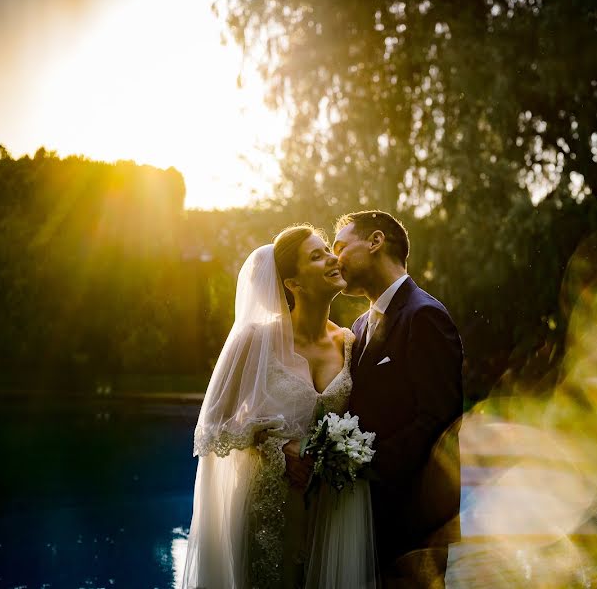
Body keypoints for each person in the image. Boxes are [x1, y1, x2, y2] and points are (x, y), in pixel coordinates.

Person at [181, 225, 377, 589]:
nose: (333, 258)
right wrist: (272, 445)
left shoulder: (350, 342)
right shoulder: (256, 339)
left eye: (328, 250)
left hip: (328, 514)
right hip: (268, 509)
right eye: (316, 256)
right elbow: (209, 430)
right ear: (293, 283)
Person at [333, 210, 464, 587]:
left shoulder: (424, 316)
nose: (334, 257)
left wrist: (360, 465)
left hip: (413, 524)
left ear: (375, 242)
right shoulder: (360, 325)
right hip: (367, 518)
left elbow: (437, 419)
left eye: (341, 246)